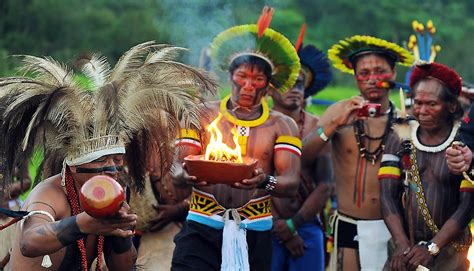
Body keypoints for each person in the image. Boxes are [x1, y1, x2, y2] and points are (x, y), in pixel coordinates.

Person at [0, 42, 216, 270]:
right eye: (101, 161)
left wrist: (121, 236)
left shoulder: (116, 195)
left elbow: (123, 268)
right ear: (75, 166)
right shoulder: (51, 193)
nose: (112, 170)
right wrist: (83, 224)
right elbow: (29, 242)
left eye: (117, 160)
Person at [171, 7, 302, 271]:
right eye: (242, 76)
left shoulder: (282, 124)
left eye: (258, 78)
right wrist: (186, 176)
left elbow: (291, 183)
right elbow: (176, 168)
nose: (248, 85)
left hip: (255, 229)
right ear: (230, 76)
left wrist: (265, 180)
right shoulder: (201, 114)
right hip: (201, 223)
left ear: (268, 85)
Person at [302, 35, 413, 270]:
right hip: (348, 226)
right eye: (364, 73)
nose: (372, 79)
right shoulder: (338, 112)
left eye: (379, 71)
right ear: (355, 77)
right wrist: (334, 125)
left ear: (393, 74)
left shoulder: (406, 122)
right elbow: (304, 157)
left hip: (393, 230)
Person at [379, 62, 472, 270]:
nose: (422, 111)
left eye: (432, 104)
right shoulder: (401, 133)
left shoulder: (462, 141)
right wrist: (401, 243)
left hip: (450, 253)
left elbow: (467, 206)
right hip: (405, 248)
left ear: (451, 106)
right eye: (417, 103)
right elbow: (387, 194)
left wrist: (432, 248)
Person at [269, 32, 333, 271]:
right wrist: (281, 229)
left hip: (306, 224)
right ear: (269, 89)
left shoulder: (318, 127)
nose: (294, 89)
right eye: (286, 83)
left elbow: (325, 185)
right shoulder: (258, 124)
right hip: (265, 223)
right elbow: (253, 181)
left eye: (299, 83)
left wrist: (293, 225)